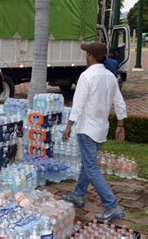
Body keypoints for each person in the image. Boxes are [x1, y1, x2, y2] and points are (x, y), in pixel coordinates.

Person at [62, 42, 127, 223]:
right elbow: (119, 102)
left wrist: (68, 126)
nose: (85, 56)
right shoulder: (110, 76)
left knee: (91, 168)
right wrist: (120, 125)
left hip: (87, 129)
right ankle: (77, 195)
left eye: (87, 53)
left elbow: (78, 104)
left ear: (91, 56)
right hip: (101, 130)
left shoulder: (86, 76)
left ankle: (112, 205)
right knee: (87, 164)